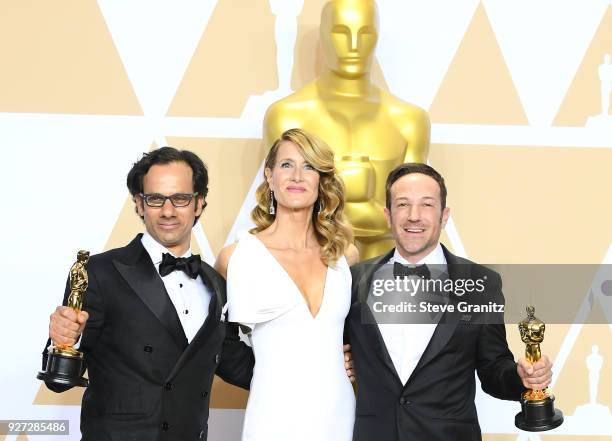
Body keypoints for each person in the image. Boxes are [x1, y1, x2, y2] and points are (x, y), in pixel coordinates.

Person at [43, 147, 255, 441]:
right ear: (139, 204)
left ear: (199, 203)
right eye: (155, 199)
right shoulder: (100, 272)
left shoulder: (216, 284)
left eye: (180, 198)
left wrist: (320, 367)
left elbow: (236, 364)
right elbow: (58, 382)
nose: (168, 211)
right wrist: (66, 339)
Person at [346, 163, 554, 441]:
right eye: (403, 204)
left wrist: (522, 378)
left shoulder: (481, 283)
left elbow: (493, 368)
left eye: (427, 204)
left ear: (444, 215)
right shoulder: (353, 280)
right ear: (388, 215)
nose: (414, 216)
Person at [215, 128, 360, 441]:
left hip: (338, 416)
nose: (297, 175)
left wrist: (358, 359)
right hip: (272, 417)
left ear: (322, 180)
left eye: (309, 166)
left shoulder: (344, 254)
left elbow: (357, 332)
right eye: (286, 165)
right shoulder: (238, 257)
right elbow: (217, 344)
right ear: (269, 176)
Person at [263, 0, 430, 259]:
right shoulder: (287, 116)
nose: (354, 45)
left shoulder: (410, 120)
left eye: (365, 33)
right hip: (310, 270)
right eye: (341, 32)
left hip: (387, 277)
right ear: (323, 36)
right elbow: (279, 207)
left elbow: (413, 216)